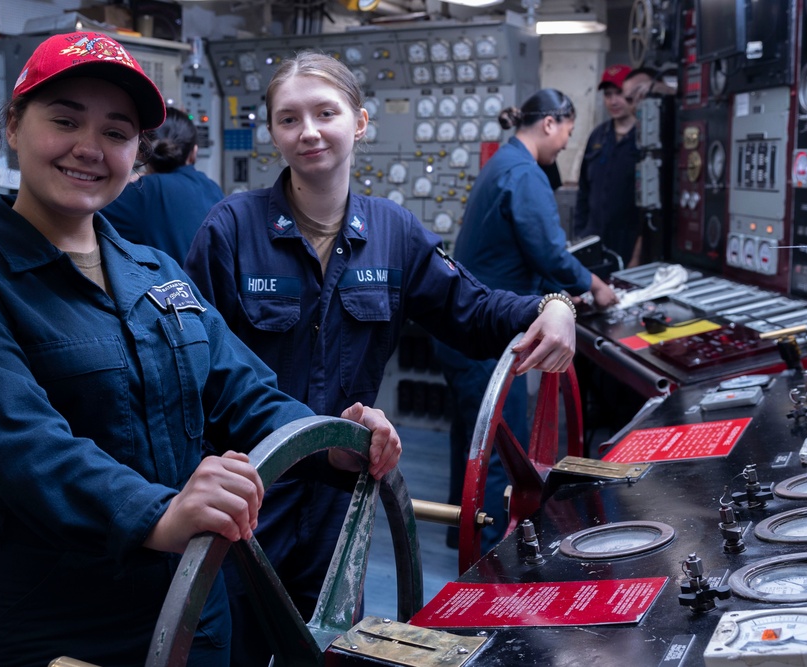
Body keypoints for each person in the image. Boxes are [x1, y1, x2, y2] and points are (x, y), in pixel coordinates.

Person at [0, 32, 400, 667]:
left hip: (196, 607)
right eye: (64, 120)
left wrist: (330, 439)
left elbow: (241, 391)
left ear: (137, 152)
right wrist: (158, 515)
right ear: (12, 126)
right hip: (65, 626)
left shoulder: (155, 272)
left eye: (117, 132)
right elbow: (26, 449)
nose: (90, 148)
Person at [183, 51, 578, 666]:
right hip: (252, 494)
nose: (308, 130)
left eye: (325, 112)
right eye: (289, 119)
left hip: (343, 496)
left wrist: (551, 305)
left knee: (330, 649)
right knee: (236, 646)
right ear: (273, 133)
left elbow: (471, 311)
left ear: (360, 122)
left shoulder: (393, 232)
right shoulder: (230, 229)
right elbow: (197, 370)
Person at [435, 88, 619, 554]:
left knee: (473, 443)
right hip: (490, 336)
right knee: (502, 451)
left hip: (461, 330)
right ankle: (492, 558)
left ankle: (467, 534)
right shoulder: (524, 172)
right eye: (567, 134)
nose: (564, 146)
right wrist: (596, 286)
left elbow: (518, 254)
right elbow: (549, 251)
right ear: (551, 123)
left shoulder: (504, 163)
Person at [102, 105, 223, 265]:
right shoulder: (212, 187)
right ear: (194, 153)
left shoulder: (143, 192)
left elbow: (79, 214)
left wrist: (122, 183)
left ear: (140, 151)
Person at [574, 64, 643, 270]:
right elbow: (583, 191)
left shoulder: (645, 138)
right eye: (608, 94)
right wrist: (580, 237)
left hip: (628, 245)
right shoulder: (598, 136)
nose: (613, 101)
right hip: (594, 242)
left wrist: (638, 256)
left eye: (619, 93)